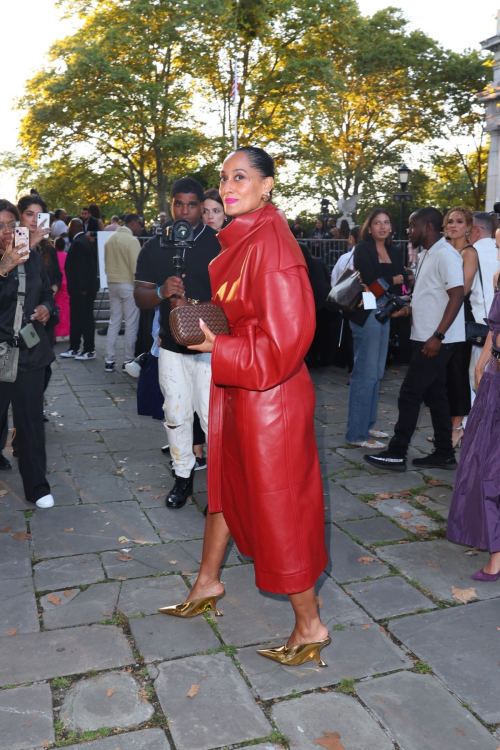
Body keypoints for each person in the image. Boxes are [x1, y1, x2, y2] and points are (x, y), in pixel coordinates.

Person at [158, 146, 330, 669]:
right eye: (224, 178)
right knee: (226, 487)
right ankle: (207, 583)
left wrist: (219, 347)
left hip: (269, 398)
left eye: (241, 177)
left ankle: (310, 624)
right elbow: (253, 320)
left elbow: (286, 344)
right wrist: (211, 322)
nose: (228, 187)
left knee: (279, 509)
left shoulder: (273, 248)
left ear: (267, 186)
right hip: (242, 389)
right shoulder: (245, 239)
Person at [134, 177, 220, 509]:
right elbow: (140, 296)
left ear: (202, 206)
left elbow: (235, 297)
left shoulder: (218, 244)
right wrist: (160, 291)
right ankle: (183, 477)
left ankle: (222, 483)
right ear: (171, 204)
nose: (184, 211)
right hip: (171, 346)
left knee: (212, 418)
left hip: (211, 346)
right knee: (176, 413)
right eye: (178, 204)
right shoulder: (154, 246)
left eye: (192, 204)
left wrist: (197, 306)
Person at [364, 207, 465, 472]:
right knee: (437, 395)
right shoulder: (428, 255)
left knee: (409, 394)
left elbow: (457, 296)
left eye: (412, 226)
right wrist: (406, 309)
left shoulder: (445, 255)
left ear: (428, 227)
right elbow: (432, 296)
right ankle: (444, 453)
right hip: (427, 337)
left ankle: (397, 453)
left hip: (437, 340)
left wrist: (437, 336)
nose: (408, 231)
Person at [447, 238, 500, 581]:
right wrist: (483, 359)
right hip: (495, 379)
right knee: (485, 465)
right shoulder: (499, 276)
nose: (497, 238)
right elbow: (495, 329)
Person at [0, 200, 56, 508]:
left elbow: (46, 290)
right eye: (1, 226)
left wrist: (47, 307)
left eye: (11, 224)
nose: (8, 231)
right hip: (1, 350)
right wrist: (2, 269)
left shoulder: (32, 257)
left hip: (30, 349)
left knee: (31, 420)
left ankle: (37, 485)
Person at [345, 209, 407, 448]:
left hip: (386, 311)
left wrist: (388, 284)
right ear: (369, 227)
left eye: (386, 222)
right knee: (365, 374)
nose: (382, 226)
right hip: (366, 312)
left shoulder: (395, 250)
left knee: (377, 372)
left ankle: (367, 425)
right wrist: (392, 280)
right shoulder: (362, 248)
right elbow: (372, 286)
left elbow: (401, 284)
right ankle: (357, 434)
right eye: (377, 223)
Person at [17, 195, 62, 391]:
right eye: (29, 214)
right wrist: (30, 244)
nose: (35, 220)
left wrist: (47, 302)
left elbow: (50, 282)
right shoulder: (8, 244)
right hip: (9, 332)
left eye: (39, 215)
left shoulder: (46, 248)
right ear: (19, 217)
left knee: (40, 373)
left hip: (36, 327)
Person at [440, 206, 477, 447]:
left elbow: (461, 291)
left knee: (456, 375)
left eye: (459, 221)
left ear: (469, 228)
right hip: (441, 316)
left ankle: (456, 428)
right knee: (442, 377)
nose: (453, 225)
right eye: (450, 221)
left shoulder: (468, 253)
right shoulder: (442, 251)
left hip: (460, 318)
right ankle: (445, 427)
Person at [103, 213, 143, 373]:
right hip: (128, 284)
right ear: (132, 223)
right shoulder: (132, 241)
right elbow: (136, 268)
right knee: (131, 323)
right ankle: (128, 359)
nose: (141, 227)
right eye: (140, 223)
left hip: (113, 283)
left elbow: (105, 264)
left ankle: (109, 360)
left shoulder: (109, 240)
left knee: (114, 321)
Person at [468, 211, 500, 391]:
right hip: (493, 328)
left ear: (477, 231)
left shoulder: (471, 253)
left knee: (477, 380)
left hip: (482, 328)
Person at [61, 219, 99, 360]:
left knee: (85, 320)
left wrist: (82, 289)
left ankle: (89, 350)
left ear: (73, 229)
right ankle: (74, 348)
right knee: (77, 319)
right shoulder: (84, 241)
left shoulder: (79, 243)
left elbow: (82, 269)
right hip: (80, 290)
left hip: (82, 291)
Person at [331, 226, 360, 382]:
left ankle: (351, 371)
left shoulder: (345, 258)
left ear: (352, 239)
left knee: (350, 337)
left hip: (349, 303)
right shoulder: (376, 255)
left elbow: (334, 280)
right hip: (368, 302)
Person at [54, 237, 70, 340]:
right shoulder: (68, 256)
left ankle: (54, 335)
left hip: (57, 285)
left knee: (56, 309)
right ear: (64, 246)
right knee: (67, 310)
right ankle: (67, 332)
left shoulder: (53, 257)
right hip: (67, 284)